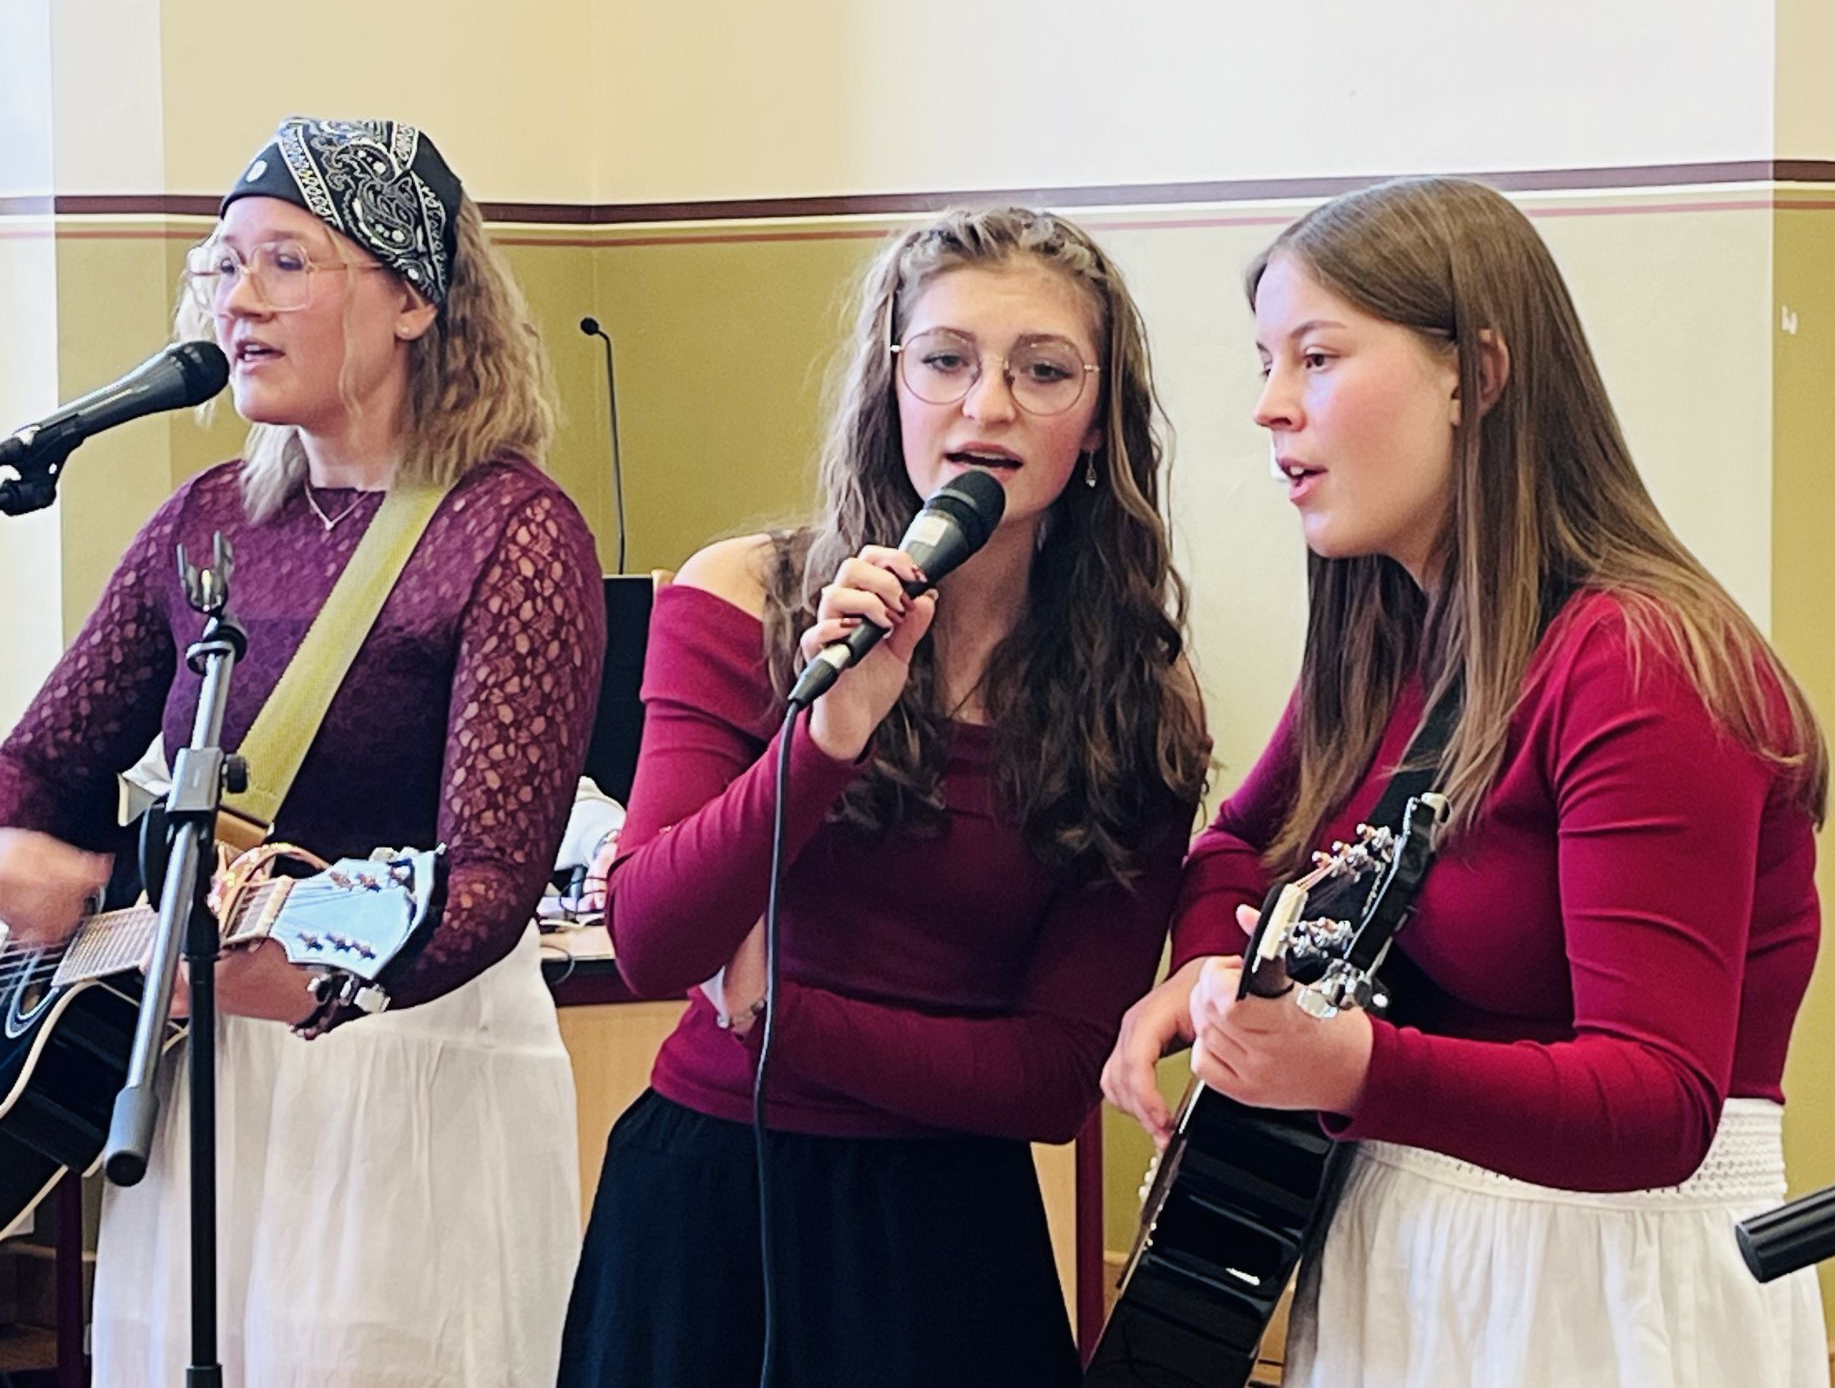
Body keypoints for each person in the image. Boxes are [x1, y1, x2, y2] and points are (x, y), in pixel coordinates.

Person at [1101, 176, 1830, 1388]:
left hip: (1602, 1287)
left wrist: (1356, 1069)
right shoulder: (1390, 634)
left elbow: (1659, 1101)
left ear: (1476, 376)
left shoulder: (1641, 665)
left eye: (1317, 357)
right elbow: (1237, 848)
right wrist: (1207, 969)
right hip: (1415, 1251)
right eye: (1266, 363)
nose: (1269, 405)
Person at [558, 205, 1211, 1387]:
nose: (986, 406)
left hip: (949, 1243)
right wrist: (827, 738)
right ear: (890, 386)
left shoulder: (1136, 696)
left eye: (1043, 371)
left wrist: (775, 1016)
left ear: (1099, 420)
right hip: (707, 1213)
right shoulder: (743, 595)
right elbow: (655, 940)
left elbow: (1053, 1077)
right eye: (946, 360)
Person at [0, 116, 605, 1387]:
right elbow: (39, 765)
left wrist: (281, 980)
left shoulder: (515, 533)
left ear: (412, 298)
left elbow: (490, 883)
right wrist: (25, 855)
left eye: (285, 262)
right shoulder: (207, 520)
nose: (237, 301)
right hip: (195, 1077)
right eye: (225, 265)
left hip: (401, 1071)